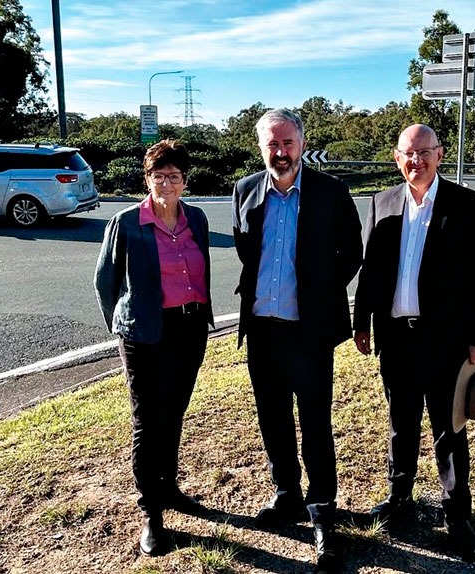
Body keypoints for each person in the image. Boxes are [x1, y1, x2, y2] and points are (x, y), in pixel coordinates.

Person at [352, 124, 475, 561]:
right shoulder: (382, 202)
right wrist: (362, 322)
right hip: (396, 338)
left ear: (439, 155)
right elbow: (371, 270)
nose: (416, 161)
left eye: (424, 152)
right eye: (407, 154)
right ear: (397, 159)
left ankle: (457, 517)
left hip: (448, 343)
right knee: (401, 424)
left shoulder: (470, 206)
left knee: (448, 431)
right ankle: (399, 500)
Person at [232, 108, 362, 570]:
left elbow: (353, 252)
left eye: (287, 143)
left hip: (308, 332)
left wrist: (318, 293)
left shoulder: (330, 192)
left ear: (302, 145)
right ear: (261, 147)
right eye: (272, 144)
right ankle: (286, 492)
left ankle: (322, 509)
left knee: (315, 422)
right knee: (272, 418)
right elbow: (247, 250)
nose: (280, 152)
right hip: (262, 330)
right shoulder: (246, 190)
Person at [94, 140, 213, 556]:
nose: (166, 182)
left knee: (175, 411)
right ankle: (151, 514)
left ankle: (170, 488)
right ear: (147, 179)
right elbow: (105, 282)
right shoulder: (127, 222)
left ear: (185, 180)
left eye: (174, 176)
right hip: (144, 335)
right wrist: (123, 325)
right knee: (148, 419)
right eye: (158, 176)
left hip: (190, 328)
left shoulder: (195, 218)